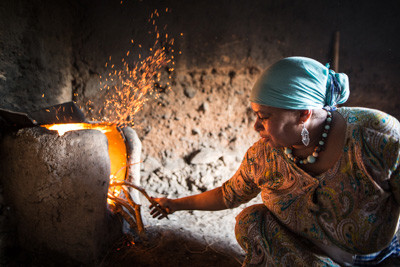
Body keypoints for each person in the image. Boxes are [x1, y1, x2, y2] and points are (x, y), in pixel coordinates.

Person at [149, 56, 400, 266]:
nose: (256, 125)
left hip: (375, 260)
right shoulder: (264, 156)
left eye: (264, 116)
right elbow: (228, 194)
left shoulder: (377, 137)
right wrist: (174, 204)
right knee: (251, 222)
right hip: (307, 257)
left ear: (303, 114)